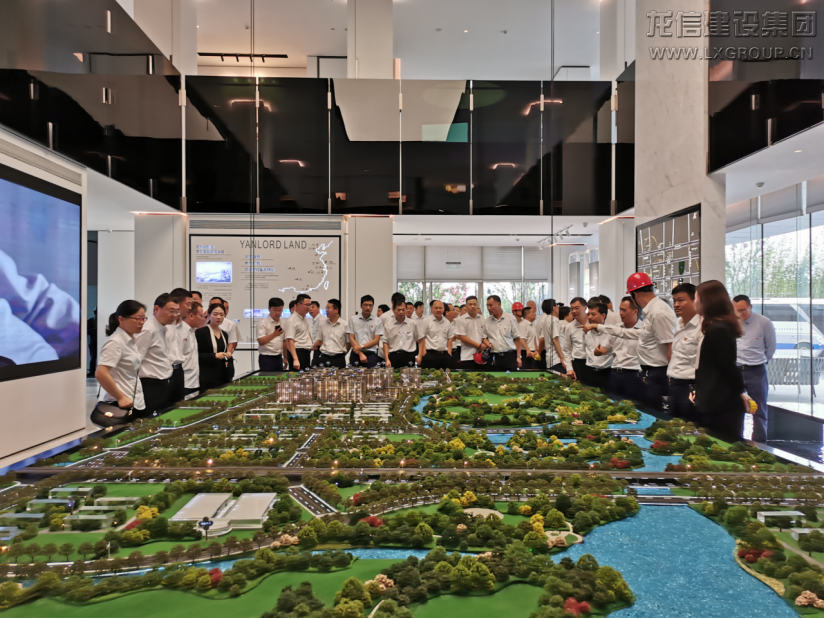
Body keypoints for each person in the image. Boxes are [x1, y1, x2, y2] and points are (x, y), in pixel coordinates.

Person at [589, 274, 676, 410]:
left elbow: (670, 346)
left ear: (635, 294)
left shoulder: (658, 312)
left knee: (653, 412)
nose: (621, 313)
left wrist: (671, 378)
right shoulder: (651, 311)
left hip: (658, 373)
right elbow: (634, 334)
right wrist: (599, 327)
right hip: (648, 373)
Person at [693, 281, 748, 441]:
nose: (694, 302)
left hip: (721, 404)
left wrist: (740, 392)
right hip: (715, 400)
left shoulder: (719, 330)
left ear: (707, 301)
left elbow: (728, 368)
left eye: (696, 298)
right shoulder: (715, 327)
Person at [733, 294, 777, 443]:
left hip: (756, 370)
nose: (740, 314)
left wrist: (761, 361)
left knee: (759, 409)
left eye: (743, 310)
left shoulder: (764, 322)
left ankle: (760, 444)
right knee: (736, 407)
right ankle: (737, 442)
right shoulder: (732, 322)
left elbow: (771, 348)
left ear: (750, 307)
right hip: (736, 370)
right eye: (736, 310)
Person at [95, 300, 146, 419]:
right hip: (120, 403)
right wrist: (120, 397)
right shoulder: (115, 342)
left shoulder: (130, 340)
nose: (142, 322)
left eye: (144, 318)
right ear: (121, 319)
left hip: (134, 400)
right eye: (138, 318)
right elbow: (101, 373)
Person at [135, 293, 178, 416]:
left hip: (162, 384)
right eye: (171, 311)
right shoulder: (148, 329)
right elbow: (135, 359)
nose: (175, 315)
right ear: (157, 309)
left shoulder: (164, 327)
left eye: (177, 311)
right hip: (149, 386)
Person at [667, 283, 701, 421]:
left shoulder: (702, 327)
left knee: (690, 427)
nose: (676, 305)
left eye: (681, 300)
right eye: (674, 301)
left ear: (695, 300)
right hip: (673, 385)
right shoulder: (679, 324)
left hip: (691, 387)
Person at [606, 297, 644, 401]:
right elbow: (606, 347)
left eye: (624, 310)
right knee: (613, 403)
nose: (621, 313)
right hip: (615, 373)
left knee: (633, 405)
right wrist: (599, 351)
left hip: (634, 375)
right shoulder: (616, 328)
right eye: (620, 310)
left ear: (635, 312)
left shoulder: (643, 330)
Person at [195, 302, 235, 389]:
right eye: (215, 314)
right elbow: (196, 355)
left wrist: (227, 354)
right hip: (207, 375)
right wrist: (214, 355)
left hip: (222, 374)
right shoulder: (201, 332)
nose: (219, 317)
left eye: (222, 315)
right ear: (208, 315)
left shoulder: (224, 334)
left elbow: (224, 351)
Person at [166, 288, 193, 404]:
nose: (190, 308)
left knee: (178, 405)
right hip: (163, 372)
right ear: (177, 303)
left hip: (178, 372)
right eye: (188, 304)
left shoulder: (185, 327)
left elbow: (186, 352)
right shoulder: (164, 326)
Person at [484, 295, 523, 371]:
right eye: (487, 306)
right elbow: (483, 338)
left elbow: (517, 338)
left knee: (511, 378)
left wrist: (518, 357)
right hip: (494, 357)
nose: (489, 308)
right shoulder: (487, 321)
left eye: (491, 305)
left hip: (509, 356)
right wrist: (487, 343)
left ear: (499, 304)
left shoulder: (510, 318)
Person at [417, 299, 456, 369]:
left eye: (440, 308)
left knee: (446, 374)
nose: (438, 310)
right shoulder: (426, 321)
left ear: (444, 309)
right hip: (430, 354)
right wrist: (423, 352)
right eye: (436, 308)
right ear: (432, 309)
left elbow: (450, 338)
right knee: (429, 375)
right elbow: (421, 337)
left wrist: (449, 352)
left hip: (445, 354)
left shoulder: (447, 322)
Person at [584, 301, 614, 390]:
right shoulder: (586, 331)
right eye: (588, 314)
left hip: (606, 373)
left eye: (593, 314)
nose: (590, 317)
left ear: (603, 316)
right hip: (589, 372)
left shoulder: (612, 331)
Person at [454, 295, 490, 370]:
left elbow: (485, 335)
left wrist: (485, 343)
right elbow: (462, 337)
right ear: (466, 306)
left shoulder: (482, 318)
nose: (472, 306)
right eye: (470, 304)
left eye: (474, 304)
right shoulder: (460, 320)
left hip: (482, 356)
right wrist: (479, 346)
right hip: (467, 356)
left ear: (478, 305)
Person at [348, 295, 384, 367]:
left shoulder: (377, 321)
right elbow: (351, 338)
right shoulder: (353, 319)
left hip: (371, 353)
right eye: (365, 305)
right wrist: (360, 353)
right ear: (361, 306)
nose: (368, 308)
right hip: (356, 353)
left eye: (370, 305)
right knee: (354, 373)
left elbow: (376, 340)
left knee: (371, 374)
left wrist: (361, 347)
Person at [313, 298, 349, 368]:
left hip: (339, 359)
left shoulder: (345, 325)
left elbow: (348, 343)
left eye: (328, 308)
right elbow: (319, 340)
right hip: (324, 357)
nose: (326, 310)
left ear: (336, 310)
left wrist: (341, 353)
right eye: (326, 308)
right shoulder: (322, 324)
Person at [383, 299, 418, 368]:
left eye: (403, 310)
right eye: (399, 310)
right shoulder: (388, 325)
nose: (401, 312)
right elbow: (385, 343)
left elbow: (420, 339)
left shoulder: (413, 323)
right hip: (393, 356)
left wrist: (419, 355)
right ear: (394, 310)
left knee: (409, 375)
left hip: (409, 356)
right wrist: (387, 359)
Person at [561, 297, 588, 383]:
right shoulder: (569, 327)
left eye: (577, 308)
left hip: (593, 364)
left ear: (585, 308)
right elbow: (567, 350)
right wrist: (569, 368)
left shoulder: (593, 324)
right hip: (578, 364)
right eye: (572, 308)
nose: (573, 311)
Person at [181, 301, 206, 396]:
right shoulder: (180, 332)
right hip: (184, 382)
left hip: (194, 381)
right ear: (191, 315)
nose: (202, 319)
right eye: (201, 315)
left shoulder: (192, 331)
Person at [284, 293, 314, 371]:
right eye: (307, 305)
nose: (309, 307)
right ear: (298, 305)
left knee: (306, 376)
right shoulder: (291, 320)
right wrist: (295, 359)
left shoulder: (303, 318)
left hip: (306, 353)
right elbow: (290, 341)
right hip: (298, 353)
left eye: (310, 305)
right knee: (297, 377)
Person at [256, 297, 285, 372]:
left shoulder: (283, 323)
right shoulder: (263, 323)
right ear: (269, 309)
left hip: (279, 357)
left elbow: (284, 341)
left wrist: (285, 357)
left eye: (280, 310)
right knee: (267, 378)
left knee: (279, 377)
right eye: (275, 310)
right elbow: (261, 341)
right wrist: (274, 334)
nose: (278, 313)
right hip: (267, 358)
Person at [538, 299, 565, 373]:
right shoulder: (554, 320)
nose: (558, 308)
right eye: (557, 305)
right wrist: (562, 358)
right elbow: (555, 340)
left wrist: (538, 352)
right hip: (556, 358)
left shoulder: (546, 320)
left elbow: (542, 339)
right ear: (554, 307)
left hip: (550, 358)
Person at [513, 302, 537, 370]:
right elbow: (521, 339)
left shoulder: (532, 325)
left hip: (532, 352)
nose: (535, 314)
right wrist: (528, 349)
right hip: (526, 353)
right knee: (526, 372)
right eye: (533, 312)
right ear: (528, 315)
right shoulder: (523, 325)